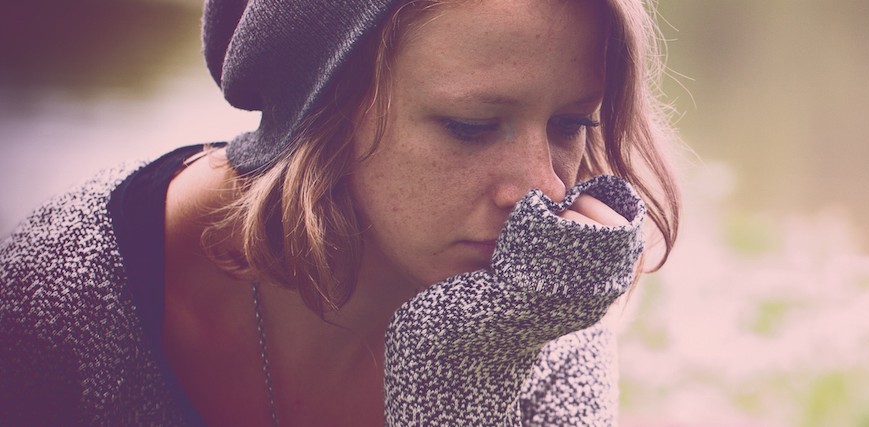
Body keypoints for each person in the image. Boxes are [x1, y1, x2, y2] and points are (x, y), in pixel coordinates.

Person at [0, 0, 681, 425]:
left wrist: (466, 375)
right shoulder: (59, 302)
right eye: (471, 125)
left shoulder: (533, 308)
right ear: (323, 111)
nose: (540, 188)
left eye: (570, 124)